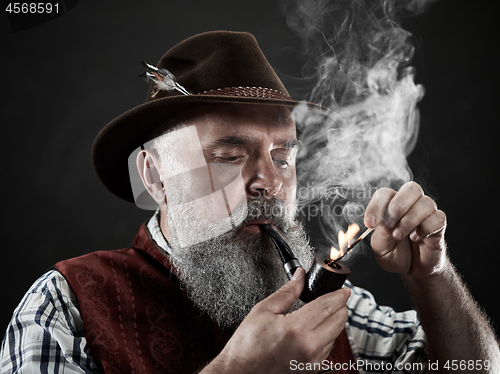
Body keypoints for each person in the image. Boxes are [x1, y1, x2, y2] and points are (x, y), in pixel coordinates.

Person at [1, 31, 498, 374]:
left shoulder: (326, 307)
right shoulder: (66, 307)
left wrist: (432, 279)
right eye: (230, 155)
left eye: (284, 157)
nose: (267, 182)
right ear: (154, 177)